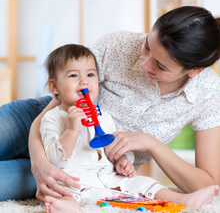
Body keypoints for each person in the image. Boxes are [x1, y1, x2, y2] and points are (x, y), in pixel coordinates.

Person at [0, 5, 219, 202]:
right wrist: (39, 165)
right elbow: (48, 115)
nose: (144, 64)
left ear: (195, 71)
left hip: (86, 168)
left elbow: (209, 184)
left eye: (160, 66)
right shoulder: (118, 45)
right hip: (41, 120)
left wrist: (153, 144)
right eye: (147, 46)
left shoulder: (208, 94)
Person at [40, 44, 218, 213]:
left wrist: (121, 161)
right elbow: (55, 159)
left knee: (143, 183)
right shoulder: (52, 118)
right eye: (73, 76)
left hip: (107, 177)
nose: (84, 82)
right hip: (74, 178)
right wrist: (72, 130)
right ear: (54, 86)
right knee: (62, 191)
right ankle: (67, 207)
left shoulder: (103, 116)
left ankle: (184, 200)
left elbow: (110, 147)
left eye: (90, 75)